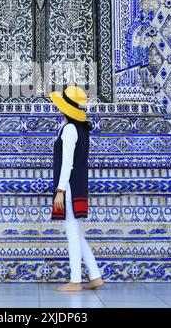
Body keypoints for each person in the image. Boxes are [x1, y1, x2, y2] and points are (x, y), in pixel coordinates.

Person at [49, 85, 104, 292]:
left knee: (71, 231)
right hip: (76, 184)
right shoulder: (80, 128)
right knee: (76, 231)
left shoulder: (70, 129)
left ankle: (75, 281)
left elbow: (67, 163)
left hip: (69, 186)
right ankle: (96, 276)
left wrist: (60, 191)